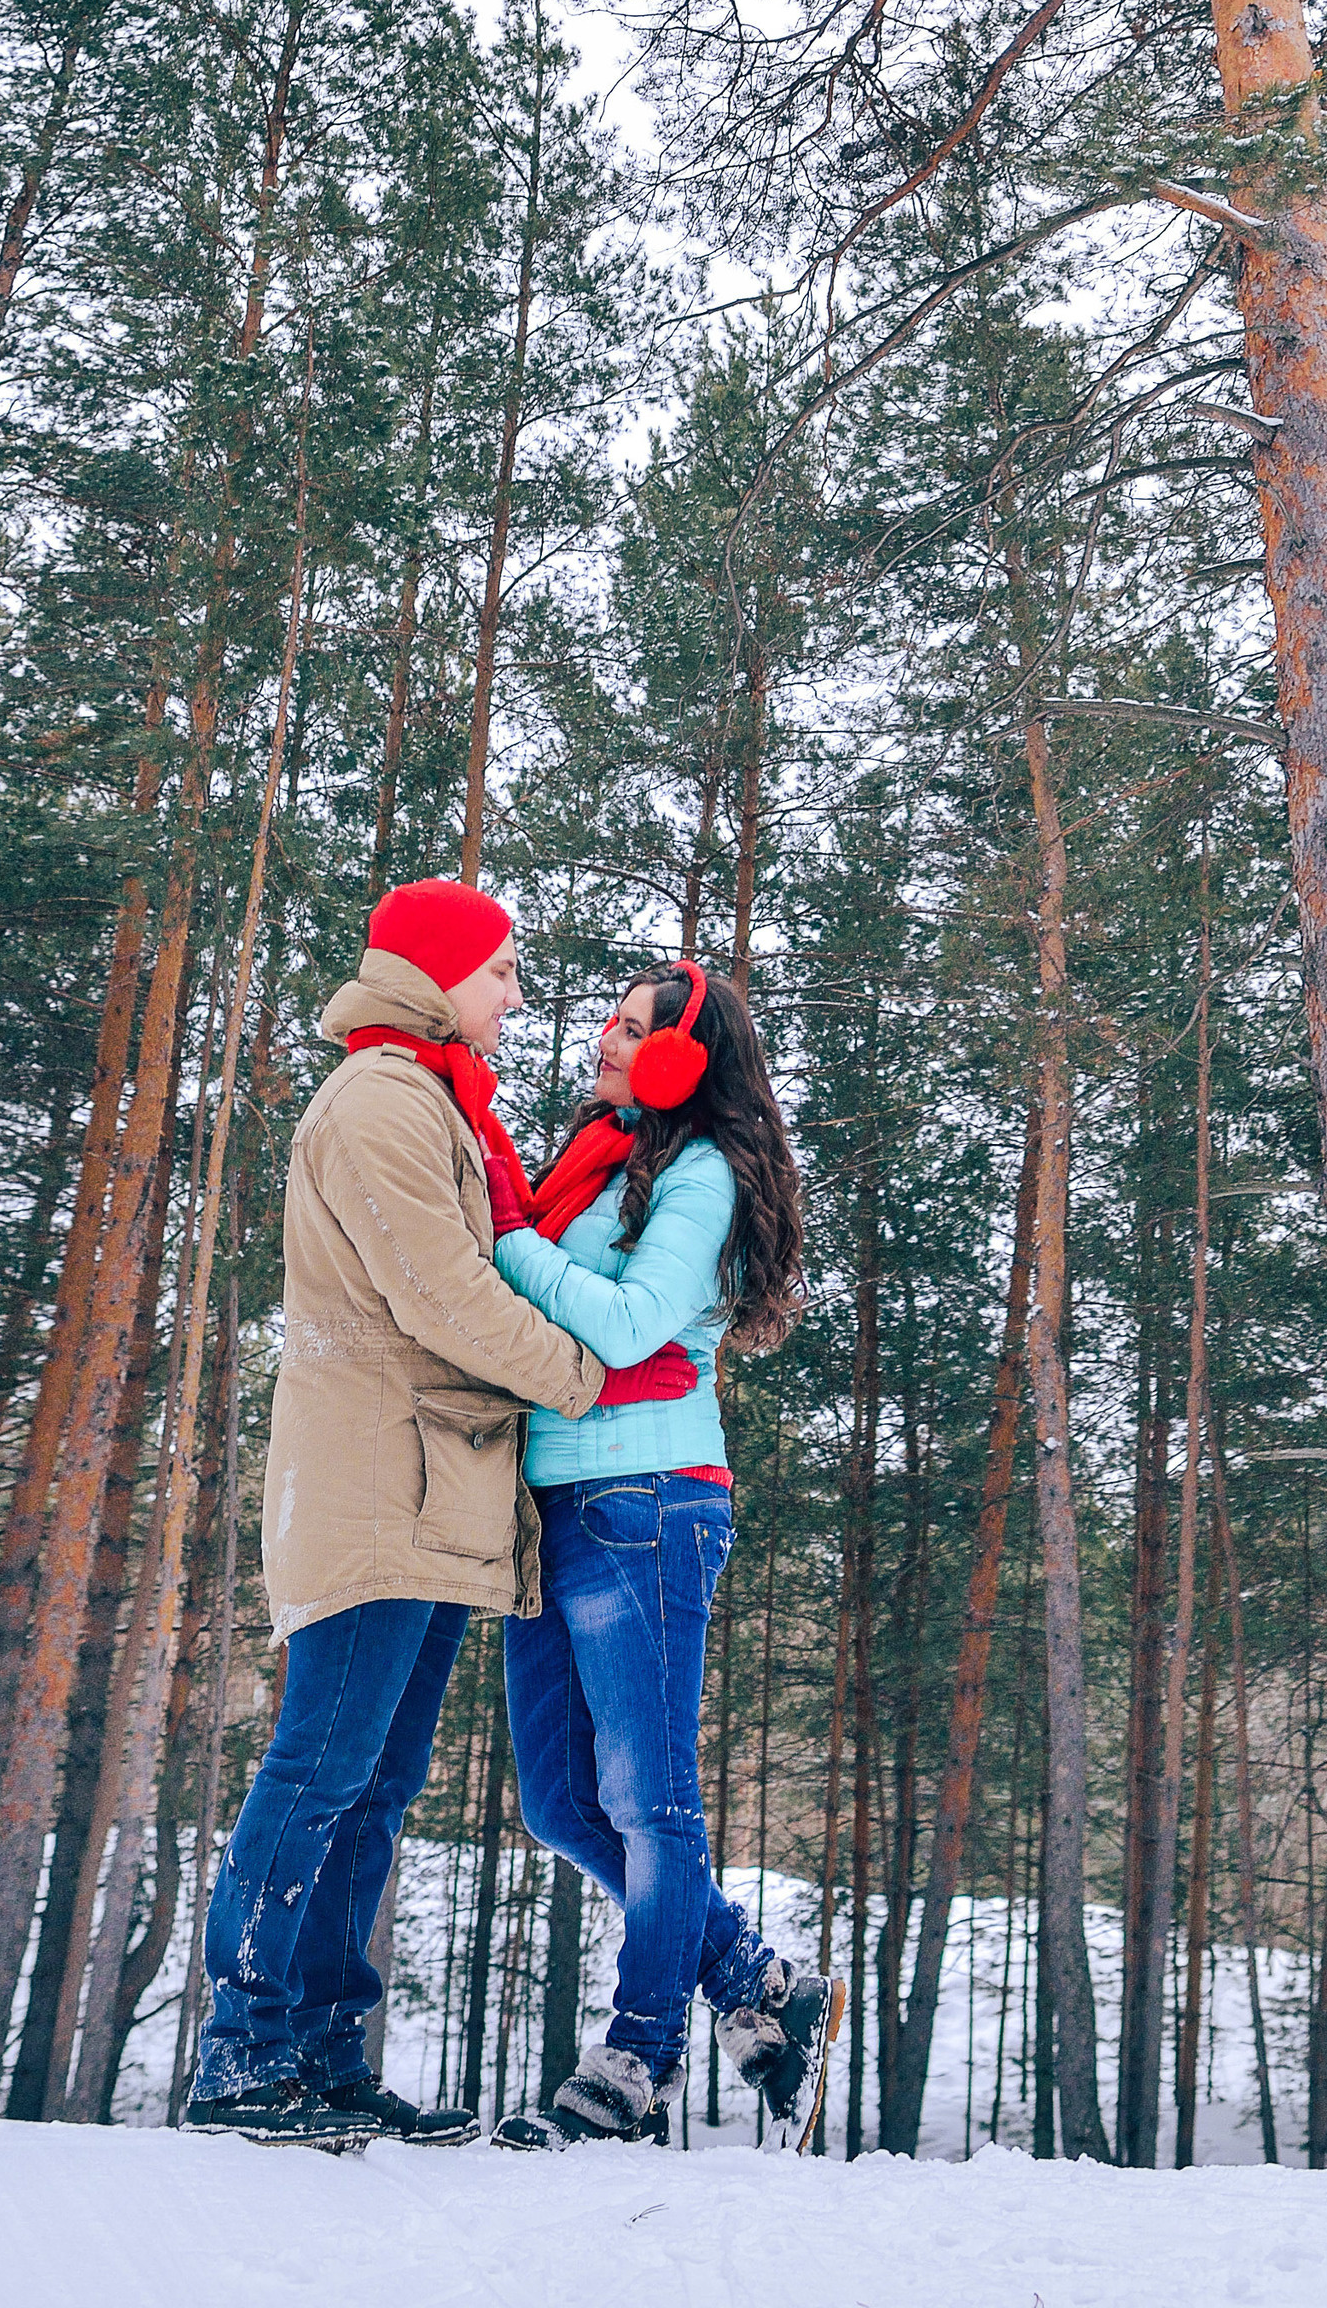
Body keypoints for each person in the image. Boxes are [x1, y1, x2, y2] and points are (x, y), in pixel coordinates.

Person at [184, 880, 697, 2148]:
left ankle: (316, 2049)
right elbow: (445, 1290)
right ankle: (246, 2049)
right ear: (439, 971)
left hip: (430, 1485)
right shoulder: (381, 1103)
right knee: (321, 1766)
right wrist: (592, 1374)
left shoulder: (433, 1097)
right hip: (375, 1480)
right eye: (504, 971)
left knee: (374, 1783)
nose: (519, 995)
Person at [481, 958, 831, 2151]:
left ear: (687, 1056)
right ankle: (748, 1974)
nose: (605, 1039)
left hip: (649, 1495)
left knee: (648, 1796)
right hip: (550, 1498)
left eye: (632, 1029)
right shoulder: (600, 1158)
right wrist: (533, 1249)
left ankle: (638, 2060)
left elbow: (629, 1322)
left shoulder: (699, 1174)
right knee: (563, 1801)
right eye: (612, 1021)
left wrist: (509, 1235)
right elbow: (563, 1317)